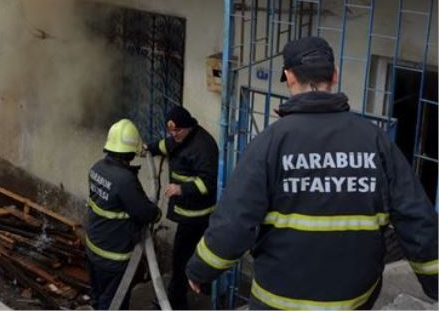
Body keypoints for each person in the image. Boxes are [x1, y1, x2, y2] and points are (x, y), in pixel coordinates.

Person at [186, 36, 438, 309]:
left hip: (280, 301)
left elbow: (234, 221)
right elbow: (416, 218)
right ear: (335, 75)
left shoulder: (270, 143)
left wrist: (201, 270)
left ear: (289, 77)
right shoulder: (375, 140)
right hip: (352, 301)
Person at [144, 105, 218, 309]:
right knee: (197, 254)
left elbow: (209, 183)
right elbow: (165, 145)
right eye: (171, 131)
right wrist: (148, 148)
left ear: (188, 127)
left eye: (177, 130)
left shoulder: (204, 147)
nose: (174, 134)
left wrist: (181, 189)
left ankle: (175, 302)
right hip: (187, 212)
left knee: (180, 259)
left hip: (196, 215)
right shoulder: (181, 138)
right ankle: (202, 287)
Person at [86, 118, 161, 310]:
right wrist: (156, 213)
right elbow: (145, 213)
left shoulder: (96, 168)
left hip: (94, 248)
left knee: (99, 297)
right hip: (113, 256)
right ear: (130, 151)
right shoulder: (125, 180)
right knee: (113, 304)